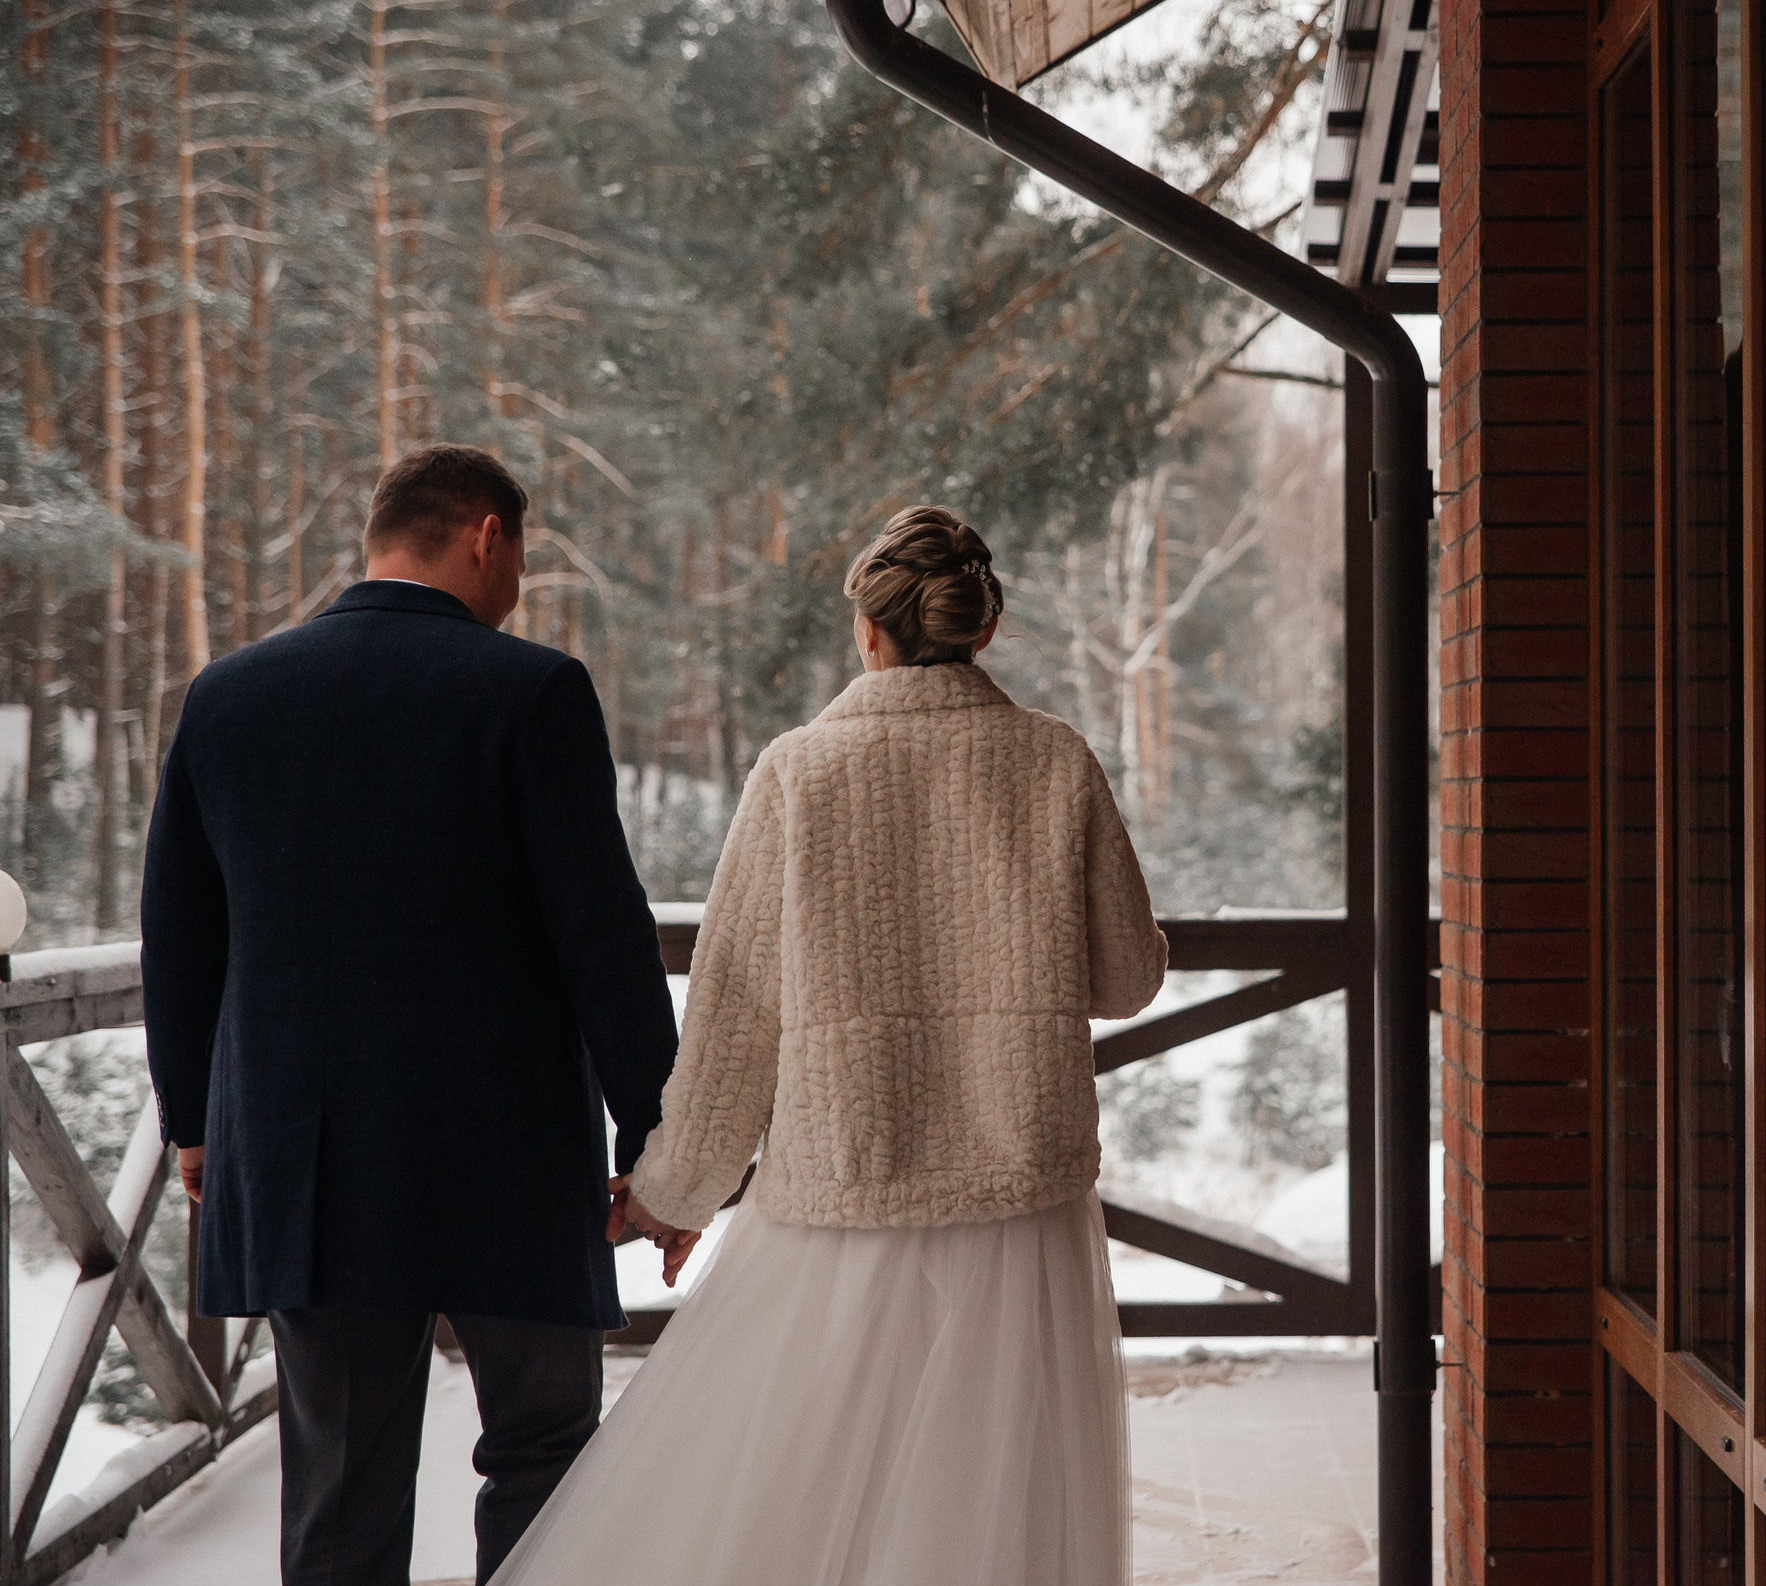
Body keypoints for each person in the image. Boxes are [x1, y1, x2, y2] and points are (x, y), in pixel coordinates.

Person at [492, 505, 1166, 1586]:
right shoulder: (1055, 759)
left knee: (800, 1502)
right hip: (1020, 1197)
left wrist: (672, 1192)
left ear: (868, 631)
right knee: (992, 1504)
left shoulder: (800, 771)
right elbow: (1129, 977)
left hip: (850, 1186)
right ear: (982, 629)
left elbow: (734, 1018)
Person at [140, 446, 682, 1586]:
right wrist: (658, 1136)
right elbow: (603, 935)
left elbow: (181, 935)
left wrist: (195, 1121)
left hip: (309, 1160)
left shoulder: (227, 696)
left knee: (341, 1488)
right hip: (511, 1158)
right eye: (520, 553)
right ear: (487, 536)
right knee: (543, 1459)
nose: (517, 582)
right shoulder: (532, 690)